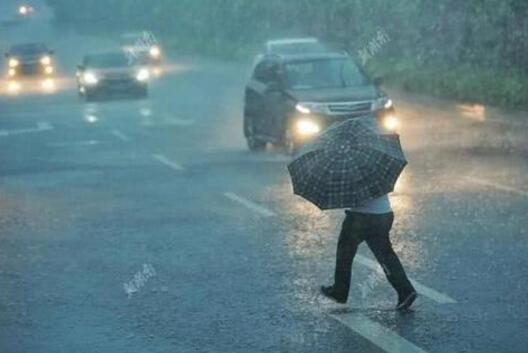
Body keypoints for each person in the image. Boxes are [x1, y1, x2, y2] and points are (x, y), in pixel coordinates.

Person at [320, 118, 417, 310]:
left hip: (360, 218)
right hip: (384, 213)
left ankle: (340, 290)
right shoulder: (375, 157)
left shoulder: (346, 165)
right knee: (385, 254)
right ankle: (405, 290)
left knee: (345, 253)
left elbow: (351, 197)